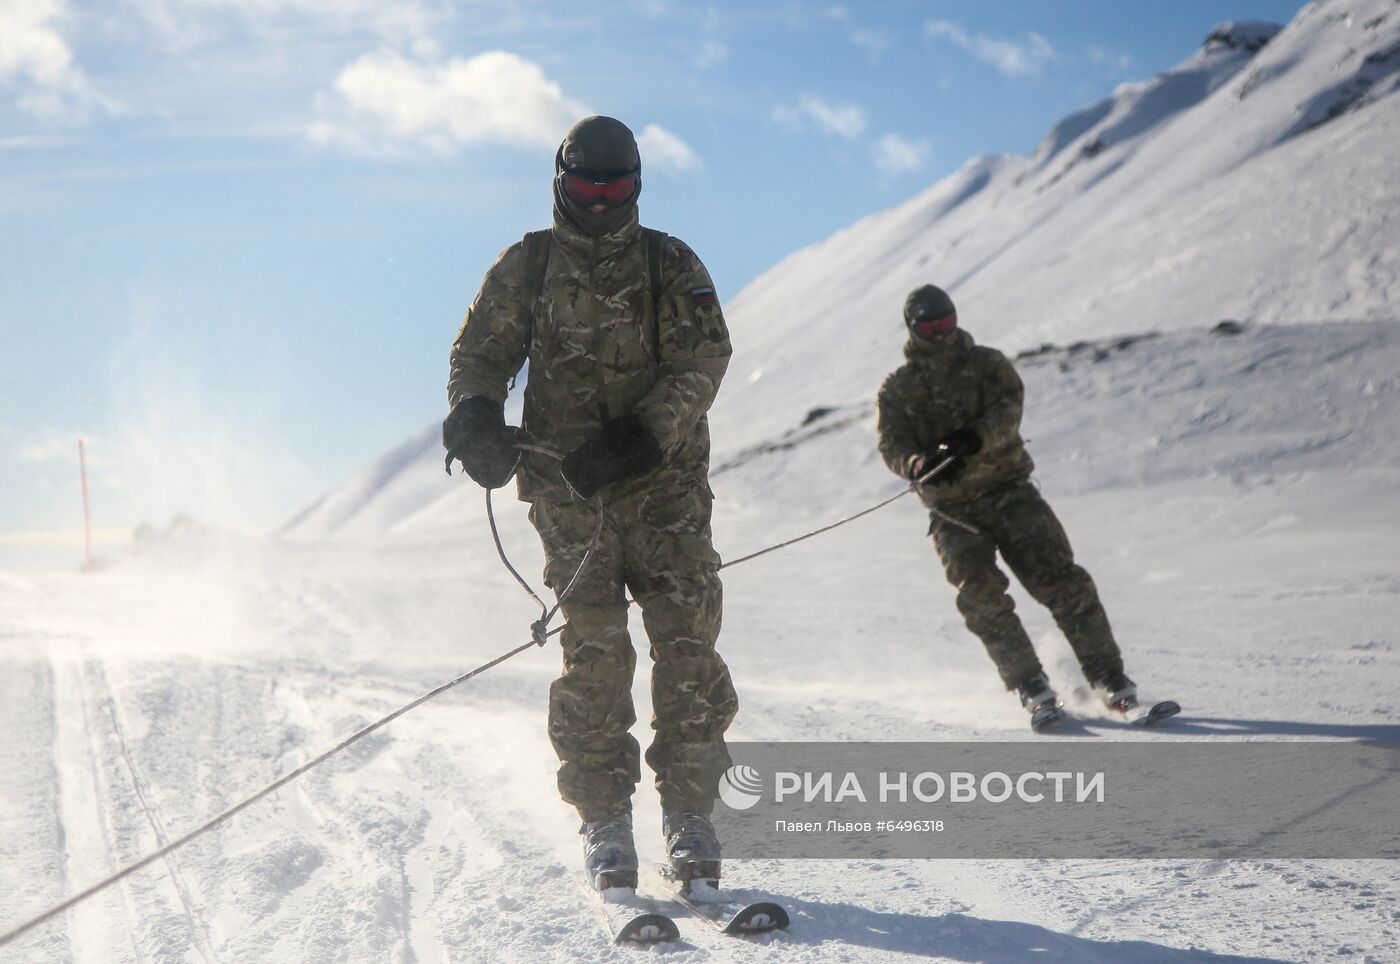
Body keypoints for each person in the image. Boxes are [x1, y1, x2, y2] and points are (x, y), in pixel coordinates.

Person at [443, 116, 738, 892]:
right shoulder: (528, 266)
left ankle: (691, 813)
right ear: (560, 184)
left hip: (664, 491)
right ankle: (606, 818)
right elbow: (480, 353)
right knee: (597, 649)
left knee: (687, 643)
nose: (602, 204)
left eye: (616, 188)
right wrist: (475, 415)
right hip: (569, 494)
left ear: (636, 185)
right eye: (586, 188)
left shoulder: (670, 264)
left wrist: (646, 435)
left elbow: (703, 358)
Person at [876, 284, 1138, 730]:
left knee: (1062, 580)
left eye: (946, 323)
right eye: (930, 326)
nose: (940, 334)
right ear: (913, 330)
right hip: (953, 512)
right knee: (979, 595)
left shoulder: (987, 364)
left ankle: (1108, 677)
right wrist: (919, 463)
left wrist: (971, 438)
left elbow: (1008, 408)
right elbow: (892, 445)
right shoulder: (897, 389)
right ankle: (1031, 685)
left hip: (1009, 491)